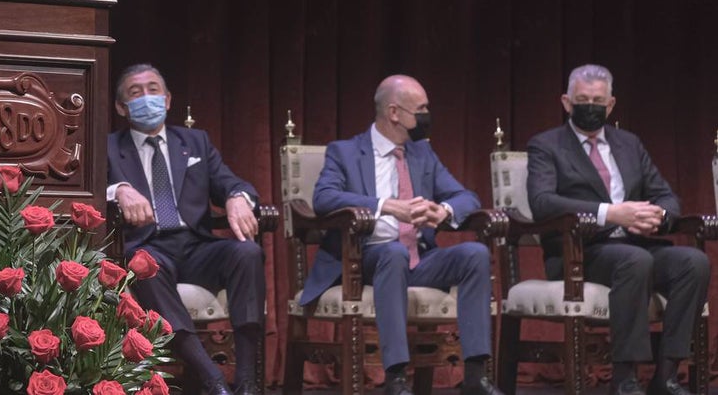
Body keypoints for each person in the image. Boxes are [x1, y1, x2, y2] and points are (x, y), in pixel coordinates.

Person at [299, 75, 501, 395]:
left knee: (474, 254)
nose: (426, 116)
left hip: (419, 259)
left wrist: (443, 211)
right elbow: (324, 198)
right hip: (364, 259)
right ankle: (395, 378)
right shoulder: (346, 152)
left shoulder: (422, 154)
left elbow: (467, 198)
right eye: (420, 109)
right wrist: (385, 206)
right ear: (394, 113)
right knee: (393, 253)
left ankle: (476, 375)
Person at [527, 64, 709, 395]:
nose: (590, 107)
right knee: (634, 261)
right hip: (579, 253)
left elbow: (666, 195)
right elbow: (542, 202)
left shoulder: (628, 144)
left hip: (637, 247)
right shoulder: (546, 145)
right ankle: (625, 378)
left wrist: (657, 215)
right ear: (567, 102)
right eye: (582, 100)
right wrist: (610, 214)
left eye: (598, 101)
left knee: (693, 263)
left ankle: (666, 375)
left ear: (610, 105)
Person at [107, 64, 265, 395]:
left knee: (247, 252)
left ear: (167, 100)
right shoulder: (108, 147)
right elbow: (92, 192)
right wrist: (118, 189)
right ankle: (213, 380)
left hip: (196, 247)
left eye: (153, 90)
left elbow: (229, 181)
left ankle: (249, 382)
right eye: (135, 93)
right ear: (121, 107)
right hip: (148, 246)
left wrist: (237, 196)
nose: (146, 98)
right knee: (142, 265)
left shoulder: (195, 142)